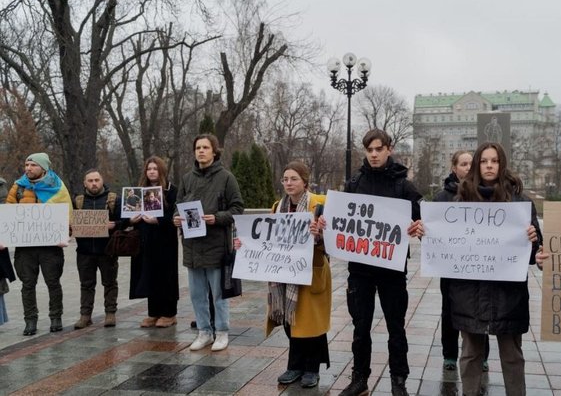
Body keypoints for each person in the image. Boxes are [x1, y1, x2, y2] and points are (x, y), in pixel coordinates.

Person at [320, 129, 423, 396]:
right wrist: (324, 223)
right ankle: (359, 379)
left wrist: (418, 227)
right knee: (360, 326)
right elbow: (339, 219)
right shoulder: (355, 182)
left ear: (389, 148)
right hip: (361, 270)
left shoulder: (404, 185)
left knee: (396, 327)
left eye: (379, 149)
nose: (374, 154)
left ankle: (398, 380)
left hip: (392, 269)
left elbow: (423, 220)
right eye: (369, 150)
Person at [448, 142, 542, 396]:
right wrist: (427, 234)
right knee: (470, 355)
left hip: (508, 295)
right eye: (484, 161)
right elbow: (447, 245)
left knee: (512, 356)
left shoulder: (521, 203)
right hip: (470, 295)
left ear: (502, 165)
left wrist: (534, 240)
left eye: (495, 160)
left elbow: (534, 256)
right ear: (478, 165)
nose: (489, 165)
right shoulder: (460, 202)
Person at [235, 161, 331, 388]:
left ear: (305, 181)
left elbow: (334, 239)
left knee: (312, 324)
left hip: (311, 272)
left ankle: (312, 368)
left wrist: (320, 234)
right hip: (285, 273)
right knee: (291, 321)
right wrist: (245, 244)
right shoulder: (277, 207)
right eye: (285, 179)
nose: (288, 183)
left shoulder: (321, 204)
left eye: (294, 179)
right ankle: (295, 366)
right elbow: (266, 240)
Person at [173, 134, 243, 352]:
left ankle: (221, 332)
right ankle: (204, 332)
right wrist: (176, 217)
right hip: (192, 246)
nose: (201, 151)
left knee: (219, 294)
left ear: (214, 151)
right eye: (197, 147)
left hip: (216, 245)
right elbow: (179, 204)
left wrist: (217, 218)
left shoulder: (226, 178)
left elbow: (237, 208)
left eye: (205, 147)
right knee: (196, 294)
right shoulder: (187, 179)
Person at [433, 150, 491, 372]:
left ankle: (482, 356)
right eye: (463, 164)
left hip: (478, 266)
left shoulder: (485, 193)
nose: (468, 167)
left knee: (480, 310)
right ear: (454, 168)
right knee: (449, 310)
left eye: (471, 164)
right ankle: (449, 355)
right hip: (450, 267)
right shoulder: (441, 198)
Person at [5, 152, 72, 335]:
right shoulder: (18, 187)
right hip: (25, 248)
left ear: (43, 167)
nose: (28, 169)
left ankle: (56, 317)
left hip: (51, 248)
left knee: (53, 282)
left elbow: (67, 215)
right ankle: (30, 320)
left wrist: (66, 234)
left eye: (33, 165)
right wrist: (5, 237)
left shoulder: (58, 187)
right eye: (26, 165)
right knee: (27, 284)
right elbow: (8, 216)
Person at [129, 157, 179, 328]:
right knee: (149, 275)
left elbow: (175, 216)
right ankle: (154, 312)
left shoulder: (171, 191)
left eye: (155, 169)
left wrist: (158, 221)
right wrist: (132, 220)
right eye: (149, 168)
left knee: (166, 276)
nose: (151, 171)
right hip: (146, 239)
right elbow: (130, 214)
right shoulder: (140, 192)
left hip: (165, 241)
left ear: (161, 171)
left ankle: (169, 313)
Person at [72, 169, 122, 329]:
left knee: (110, 283)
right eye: (90, 181)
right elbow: (70, 222)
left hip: (107, 251)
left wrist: (114, 225)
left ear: (102, 181)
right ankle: (85, 315)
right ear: (84, 183)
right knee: (86, 284)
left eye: (96, 180)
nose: (94, 183)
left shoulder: (113, 199)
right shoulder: (78, 201)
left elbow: (125, 221)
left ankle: (110, 313)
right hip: (84, 252)